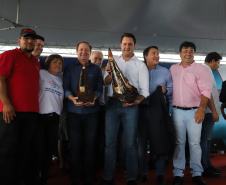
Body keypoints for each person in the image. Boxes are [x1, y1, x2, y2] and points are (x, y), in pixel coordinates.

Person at [100, 33, 149, 185]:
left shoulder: (140, 65)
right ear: (120, 45)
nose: (127, 46)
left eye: (130, 44)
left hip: (131, 107)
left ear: (134, 46)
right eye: (124, 44)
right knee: (109, 143)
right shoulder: (112, 62)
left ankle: (131, 177)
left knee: (131, 143)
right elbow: (106, 83)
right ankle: (108, 177)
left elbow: (145, 91)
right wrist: (108, 75)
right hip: (113, 104)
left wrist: (137, 101)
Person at [0, 28, 40, 185]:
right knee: (6, 150)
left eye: (32, 39)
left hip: (30, 113)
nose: (29, 41)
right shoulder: (10, 55)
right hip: (11, 112)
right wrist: (6, 103)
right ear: (19, 41)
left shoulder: (35, 61)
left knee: (22, 150)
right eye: (26, 38)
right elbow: (0, 78)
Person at [170, 41, 212, 185]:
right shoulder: (173, 69)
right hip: (176, 112)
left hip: (195, 111)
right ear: (180, 53)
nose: (188, 53)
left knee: (195, 143)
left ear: (194, 53)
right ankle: (178, 174)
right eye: (185, 50)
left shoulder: (202, 69)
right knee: (179, 143)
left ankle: (197, 173)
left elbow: (206, 91)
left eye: (191, 51)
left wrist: (201, 110)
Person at [63, 41, 103, 185]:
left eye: (87, 50)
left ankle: (89, 175)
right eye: (81, 49)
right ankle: (75, 175)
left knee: (90, 146)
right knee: (75, 146)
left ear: (90, 53)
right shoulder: (69, 68)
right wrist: (71, 98)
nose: (84, 52)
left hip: (92, 113)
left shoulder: (96, 70)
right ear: (77, 51)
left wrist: (95, 98)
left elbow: (99, 89)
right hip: (74, 112)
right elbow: (66, 87)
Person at [136, 46, 173, 185]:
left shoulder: (165, 72)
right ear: (146, 56)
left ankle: (160, 175)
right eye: (153, 53)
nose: (156, 55)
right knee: (141, 145)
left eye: (158, 53)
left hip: (158, 111)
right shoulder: (139, 70)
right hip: (141, 110)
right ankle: (143, 174)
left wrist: (164, 91)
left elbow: (171, 90)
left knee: (159, 143)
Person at [34, 54, 64, 185]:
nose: (58, 65)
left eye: (60, 63)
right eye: (55, 62)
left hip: (55, 119)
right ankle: (35, 174)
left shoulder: (61, 81)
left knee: (48, 150)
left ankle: (44, 177)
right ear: (48, 63)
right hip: (40, 117)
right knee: (38, 148)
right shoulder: (41, 73)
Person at [201, 52, 222, 177]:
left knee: (207, 141)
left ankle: (208, 165)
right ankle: (205, 167)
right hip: (208, 112)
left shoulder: (208, 71)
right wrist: (214, 111)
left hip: (209, 112)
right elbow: (206, 93)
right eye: (218, 63)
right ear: (213, 61)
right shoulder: (205, 70)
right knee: (204, 141)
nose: (218, 66)